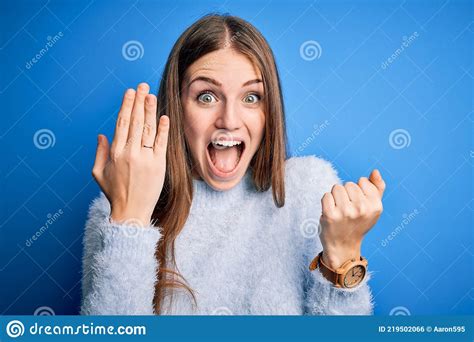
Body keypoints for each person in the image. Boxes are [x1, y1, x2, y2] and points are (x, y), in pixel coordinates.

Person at [80, 14, 385, 315]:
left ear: (270, 111)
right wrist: (129, 220)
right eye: (207, 96)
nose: (229, 120)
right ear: (177, 107)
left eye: (251, 97)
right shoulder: (114, 211)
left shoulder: (307, 189)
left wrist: (343, 255)